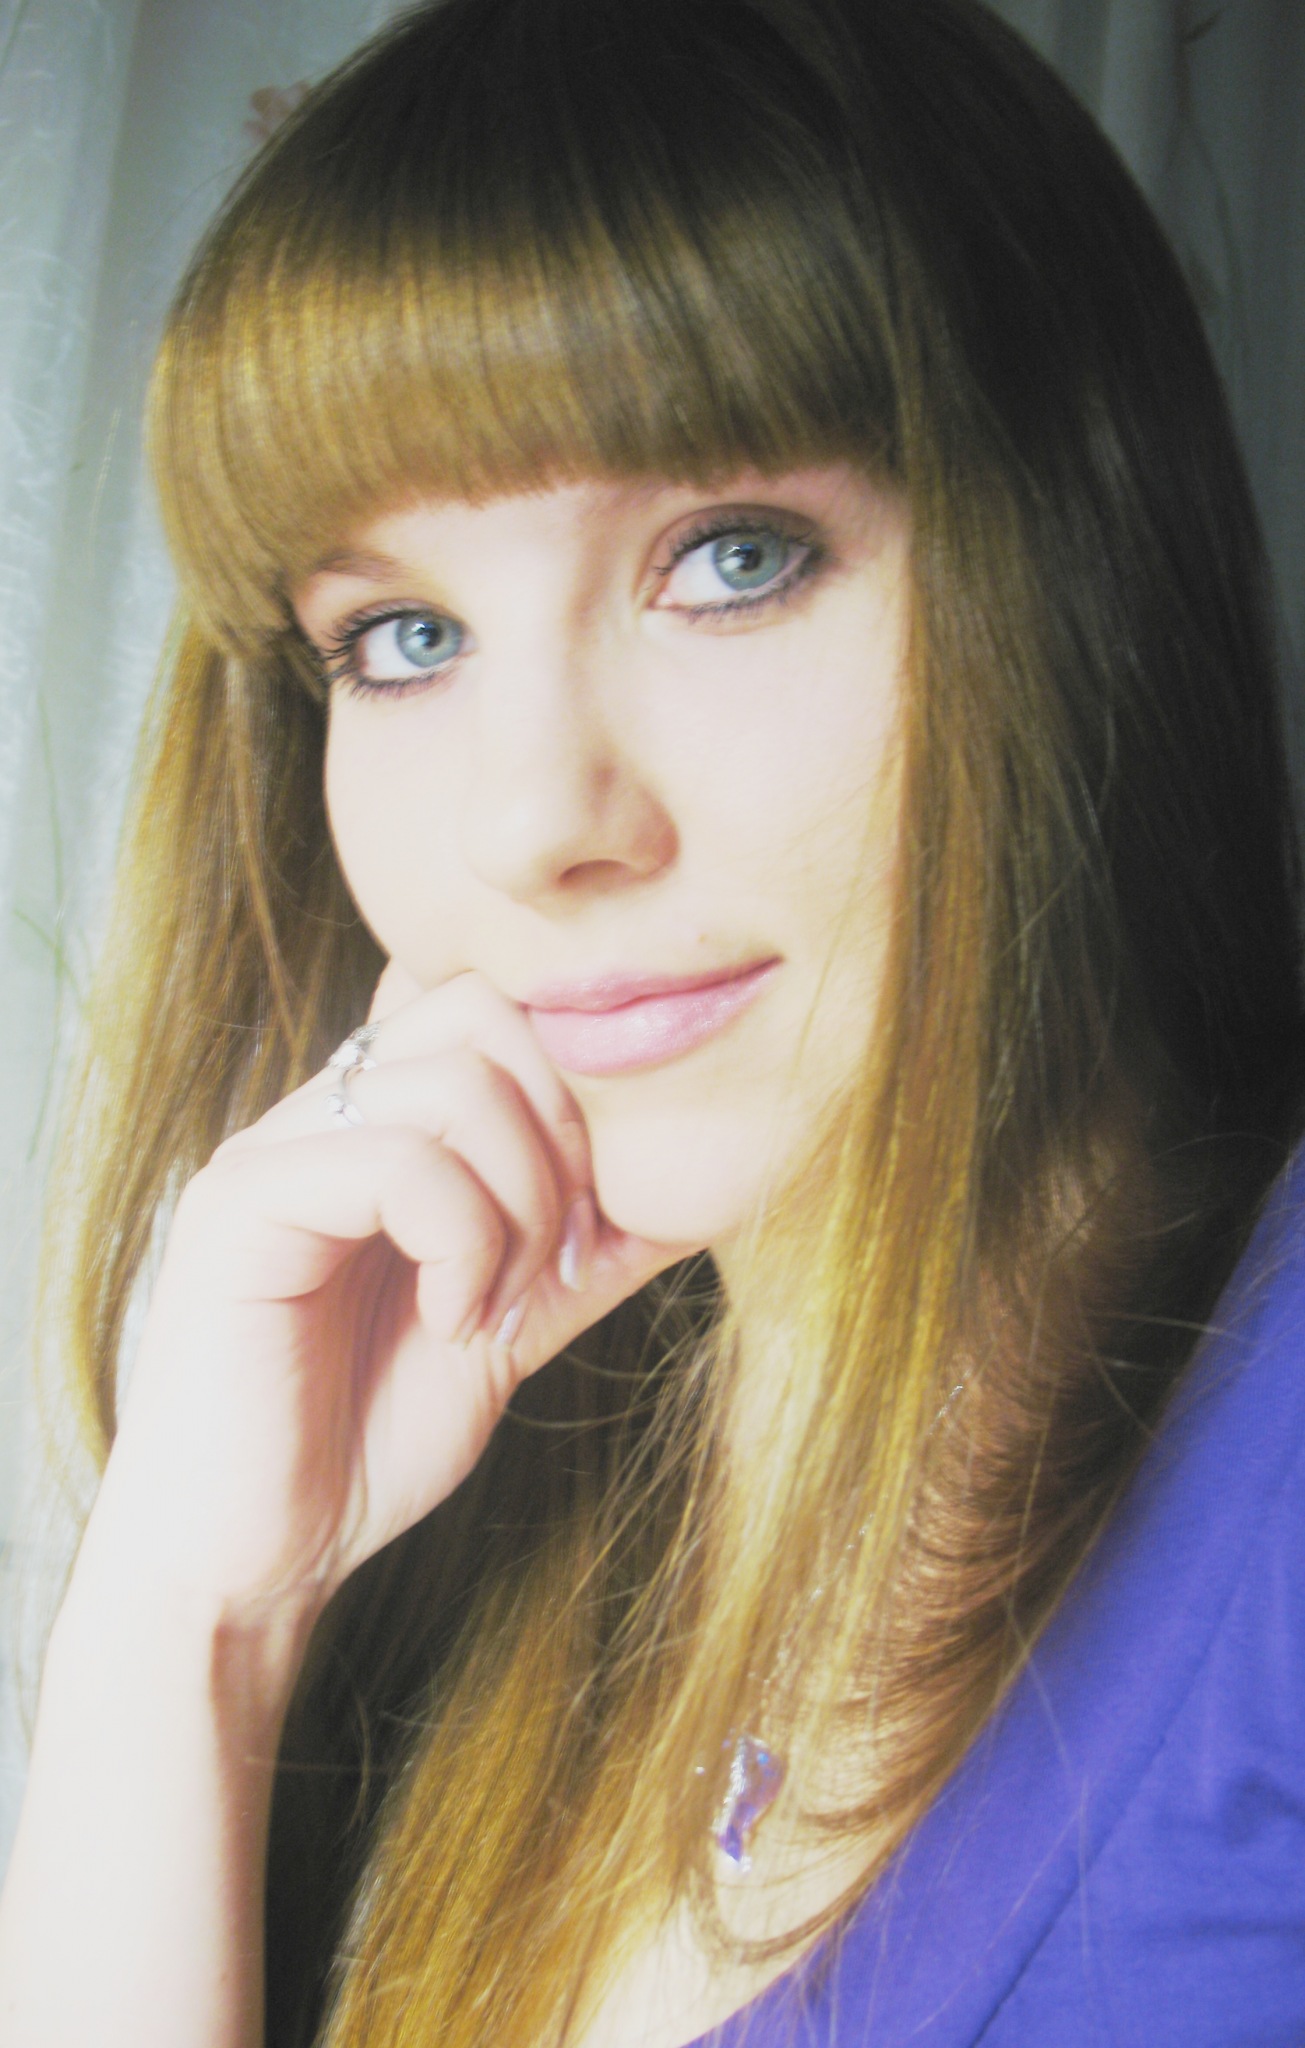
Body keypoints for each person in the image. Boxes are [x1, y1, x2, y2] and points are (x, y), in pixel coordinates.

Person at [2, 0, 1304, 2041]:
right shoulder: (490, 1533)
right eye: (402, 636)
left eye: (732, 558)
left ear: (1078, 553)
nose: (535, 822)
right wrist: (188, 1623)